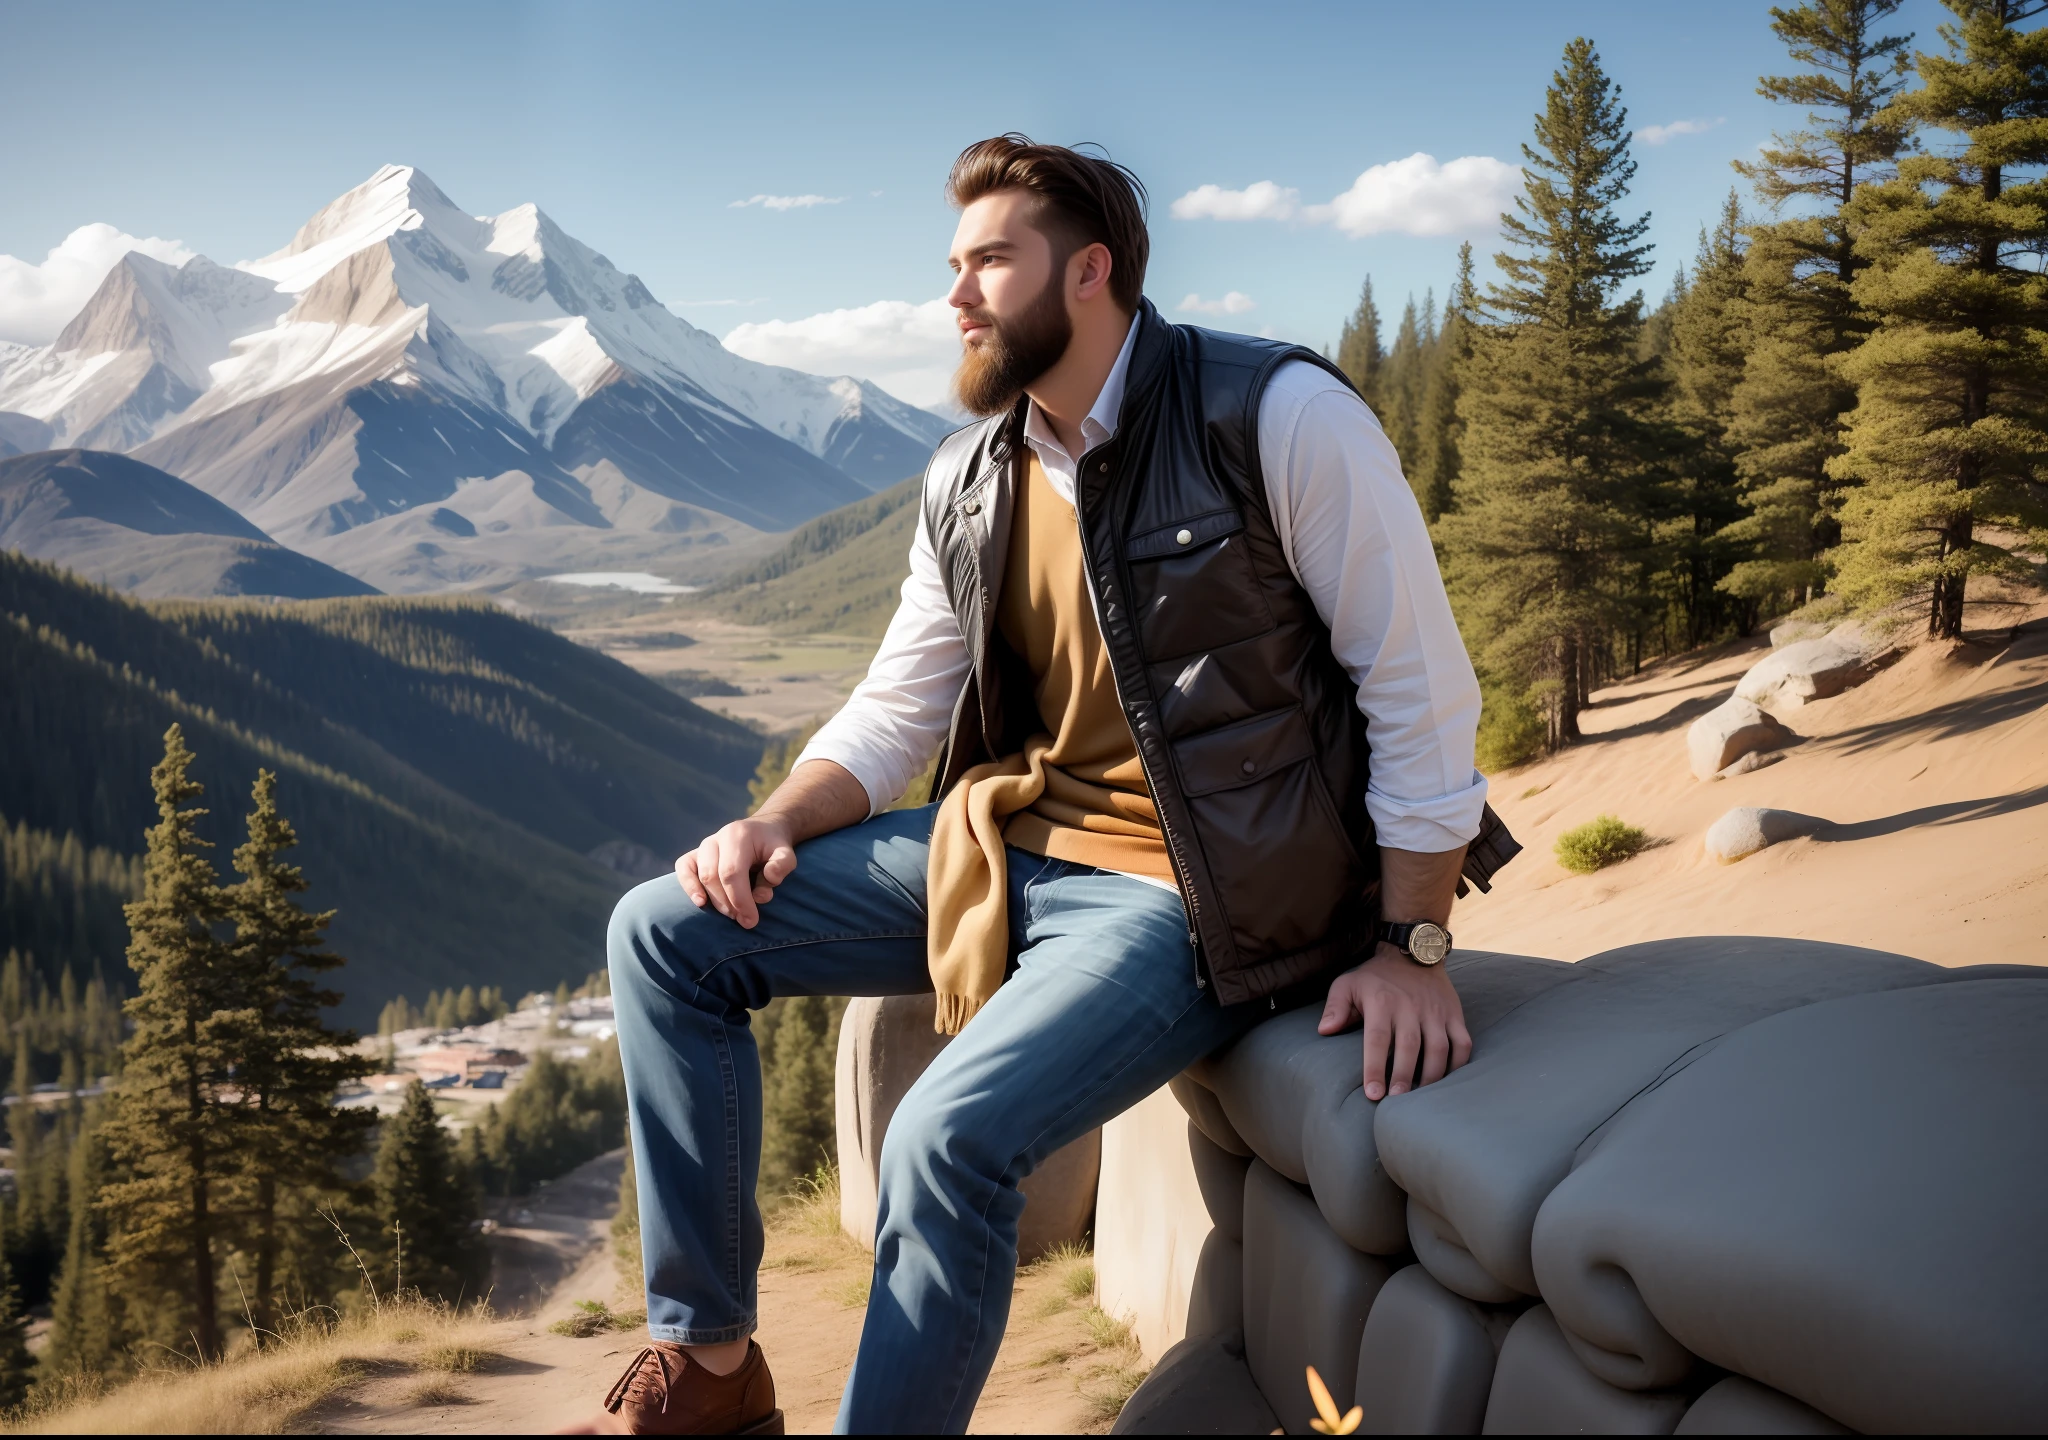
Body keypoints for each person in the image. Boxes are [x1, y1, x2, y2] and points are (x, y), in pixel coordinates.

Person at [587, 134, 1516, 1436]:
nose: (956, 297)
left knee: (942, 1143)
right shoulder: (969, 477)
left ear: (1089, 275)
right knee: (665, 935)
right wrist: (774, 823)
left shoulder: (1277, 417)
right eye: (952, 266)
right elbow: (901, 703)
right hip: (1009, 852)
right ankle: (713, 1368)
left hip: (1195, 897)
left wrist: (1414, 940)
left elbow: (1420, 688)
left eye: (987, 263)